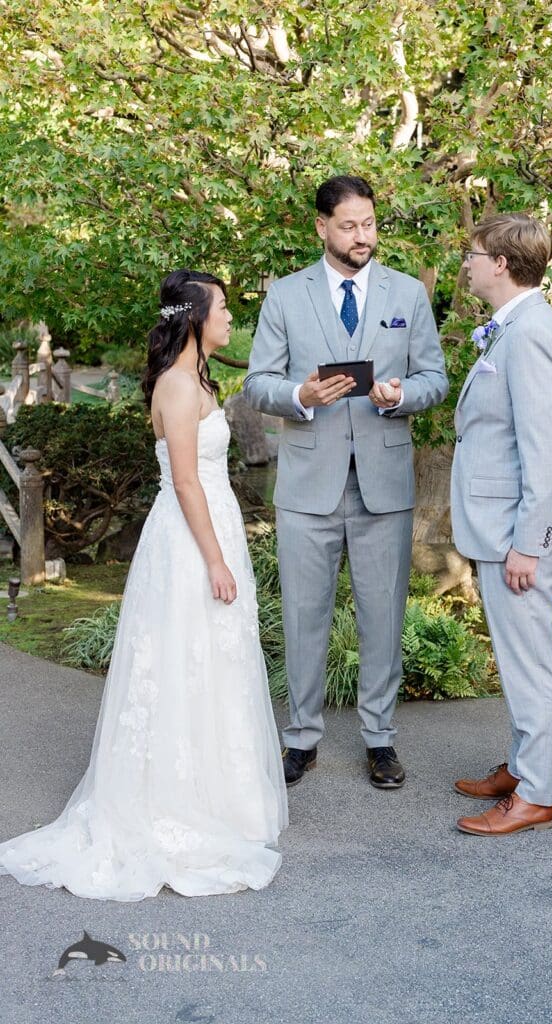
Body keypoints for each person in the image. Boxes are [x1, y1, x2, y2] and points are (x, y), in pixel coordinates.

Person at [0, 270, 288, 899]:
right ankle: (177, 803)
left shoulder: (194, 378)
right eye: (224, 310)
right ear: (195, 318)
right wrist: (215, 561)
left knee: (212, 661)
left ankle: (221, 796)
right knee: (189, 658)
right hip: (191, 540)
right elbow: (186, 482)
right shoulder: (180, 386)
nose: (231, 320)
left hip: (205, 529)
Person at [244, 175, 448, 790]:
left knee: (383, 617)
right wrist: (300, 396)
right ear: (322, 229)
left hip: (383, 485)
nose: (363, 236)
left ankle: (380, 740)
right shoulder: (285, 295)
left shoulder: (407, 293)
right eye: (350, 226)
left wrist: (402, 395)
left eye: (369, 224)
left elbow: (434, 378)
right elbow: (258, 383)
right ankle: (301, 739)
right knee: (305, 615)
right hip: (308, 486)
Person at [450, 214, 552, 836]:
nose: (466, 263)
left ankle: (537, 795)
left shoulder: (532, 335)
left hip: (516, 537)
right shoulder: (513, 328)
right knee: (518, 658)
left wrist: (529, 543)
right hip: (497, 528)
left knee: (531, 665)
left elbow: (545, 451)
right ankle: (525, 769)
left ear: (501, 263)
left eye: (473, 255)